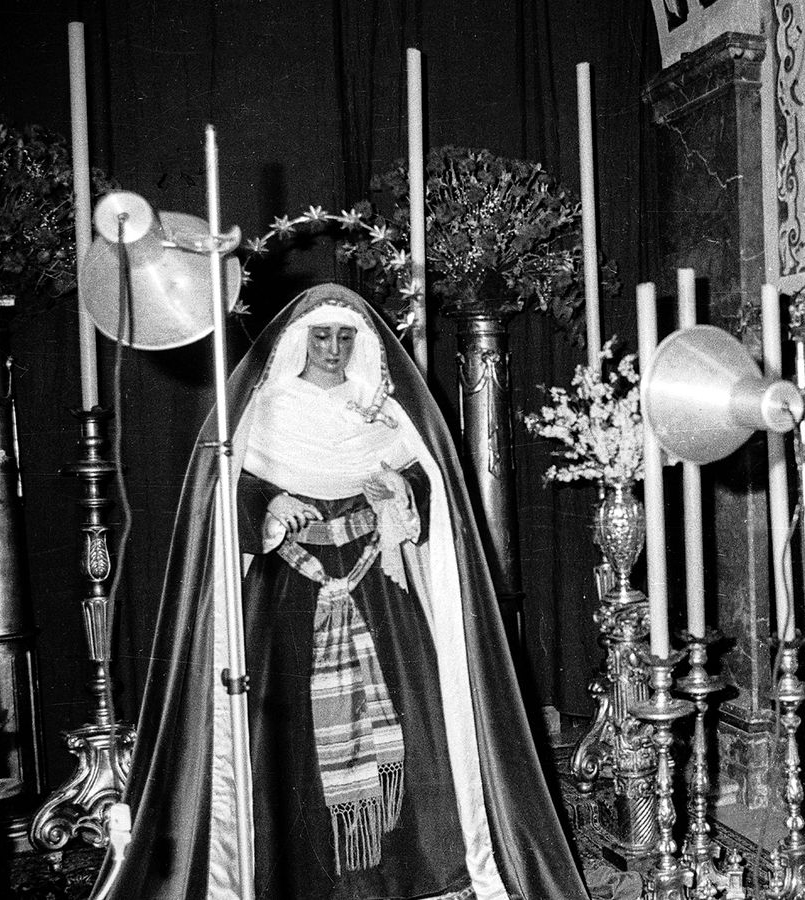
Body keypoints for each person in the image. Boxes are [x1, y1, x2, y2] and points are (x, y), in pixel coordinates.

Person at [100, 284, 589, 900]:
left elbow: (426, 472)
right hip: (285, 592)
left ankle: (418, 870)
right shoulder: (270, 407)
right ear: (298, 342)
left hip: (377, 585)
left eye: (345, 337)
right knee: (277, 739)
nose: (333, 348)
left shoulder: (380, 410)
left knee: (419, 721)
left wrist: (400, 487)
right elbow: (227, 487)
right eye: (322, 336)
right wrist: (267, 503)